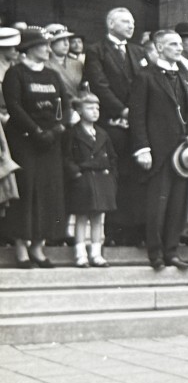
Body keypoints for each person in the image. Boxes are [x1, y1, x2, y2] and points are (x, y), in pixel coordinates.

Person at [2, 27, 71, 268]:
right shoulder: (15, 74)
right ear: (30, 48)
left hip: (50, 143)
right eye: (43, 45)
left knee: (49, 192)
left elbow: (66, 106)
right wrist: (36, 131)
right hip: (25, 142)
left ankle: (38, 248)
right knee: (26, 191)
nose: (47, 49)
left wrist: (56, 130)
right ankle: (21, 249)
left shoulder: (52, 75)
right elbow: (14, 106)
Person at [128, 30, 188, 271]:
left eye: (179, 44)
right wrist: (143, 148)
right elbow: (137, 116)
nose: (179, 48)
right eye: (173, 44)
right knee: (158, 204)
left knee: (178, 203)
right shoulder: (145, 76)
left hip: (181, 152)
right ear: (158, 47)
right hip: (157, 151)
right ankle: (155, 253)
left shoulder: (184, 76)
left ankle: (172, 251)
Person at [84, 7, 150, 245]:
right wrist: (123, 110)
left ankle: (137, 230)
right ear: (111, 24)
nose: (131, 26)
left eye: (132, 22)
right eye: (125, 21)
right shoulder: (96, 50)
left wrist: (138, 112)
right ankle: (115, 232)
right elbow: (99, 84)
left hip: (136, 122)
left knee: (137, 177)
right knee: (116, 176)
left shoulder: (138, 51)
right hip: (113, 122)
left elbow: (144, 82)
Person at [63, 93, 116, 267]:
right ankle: (80, 253)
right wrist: (76, 173)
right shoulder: (72, 133)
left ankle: (96, 253)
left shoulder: (102, 133)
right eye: (89, 108)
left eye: (97, 108)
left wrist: (111, 176)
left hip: (101, 180)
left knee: (97, 217)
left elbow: (112, 157)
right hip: (83, 181)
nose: (95, 111)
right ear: (78, 110)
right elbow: (66, 157)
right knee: (81, 216)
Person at [44, 24, 84, 97]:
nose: (66, 44)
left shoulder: (78, 64)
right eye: (61, 40)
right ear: (50, 43)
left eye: (67, 39)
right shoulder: (44, 65)